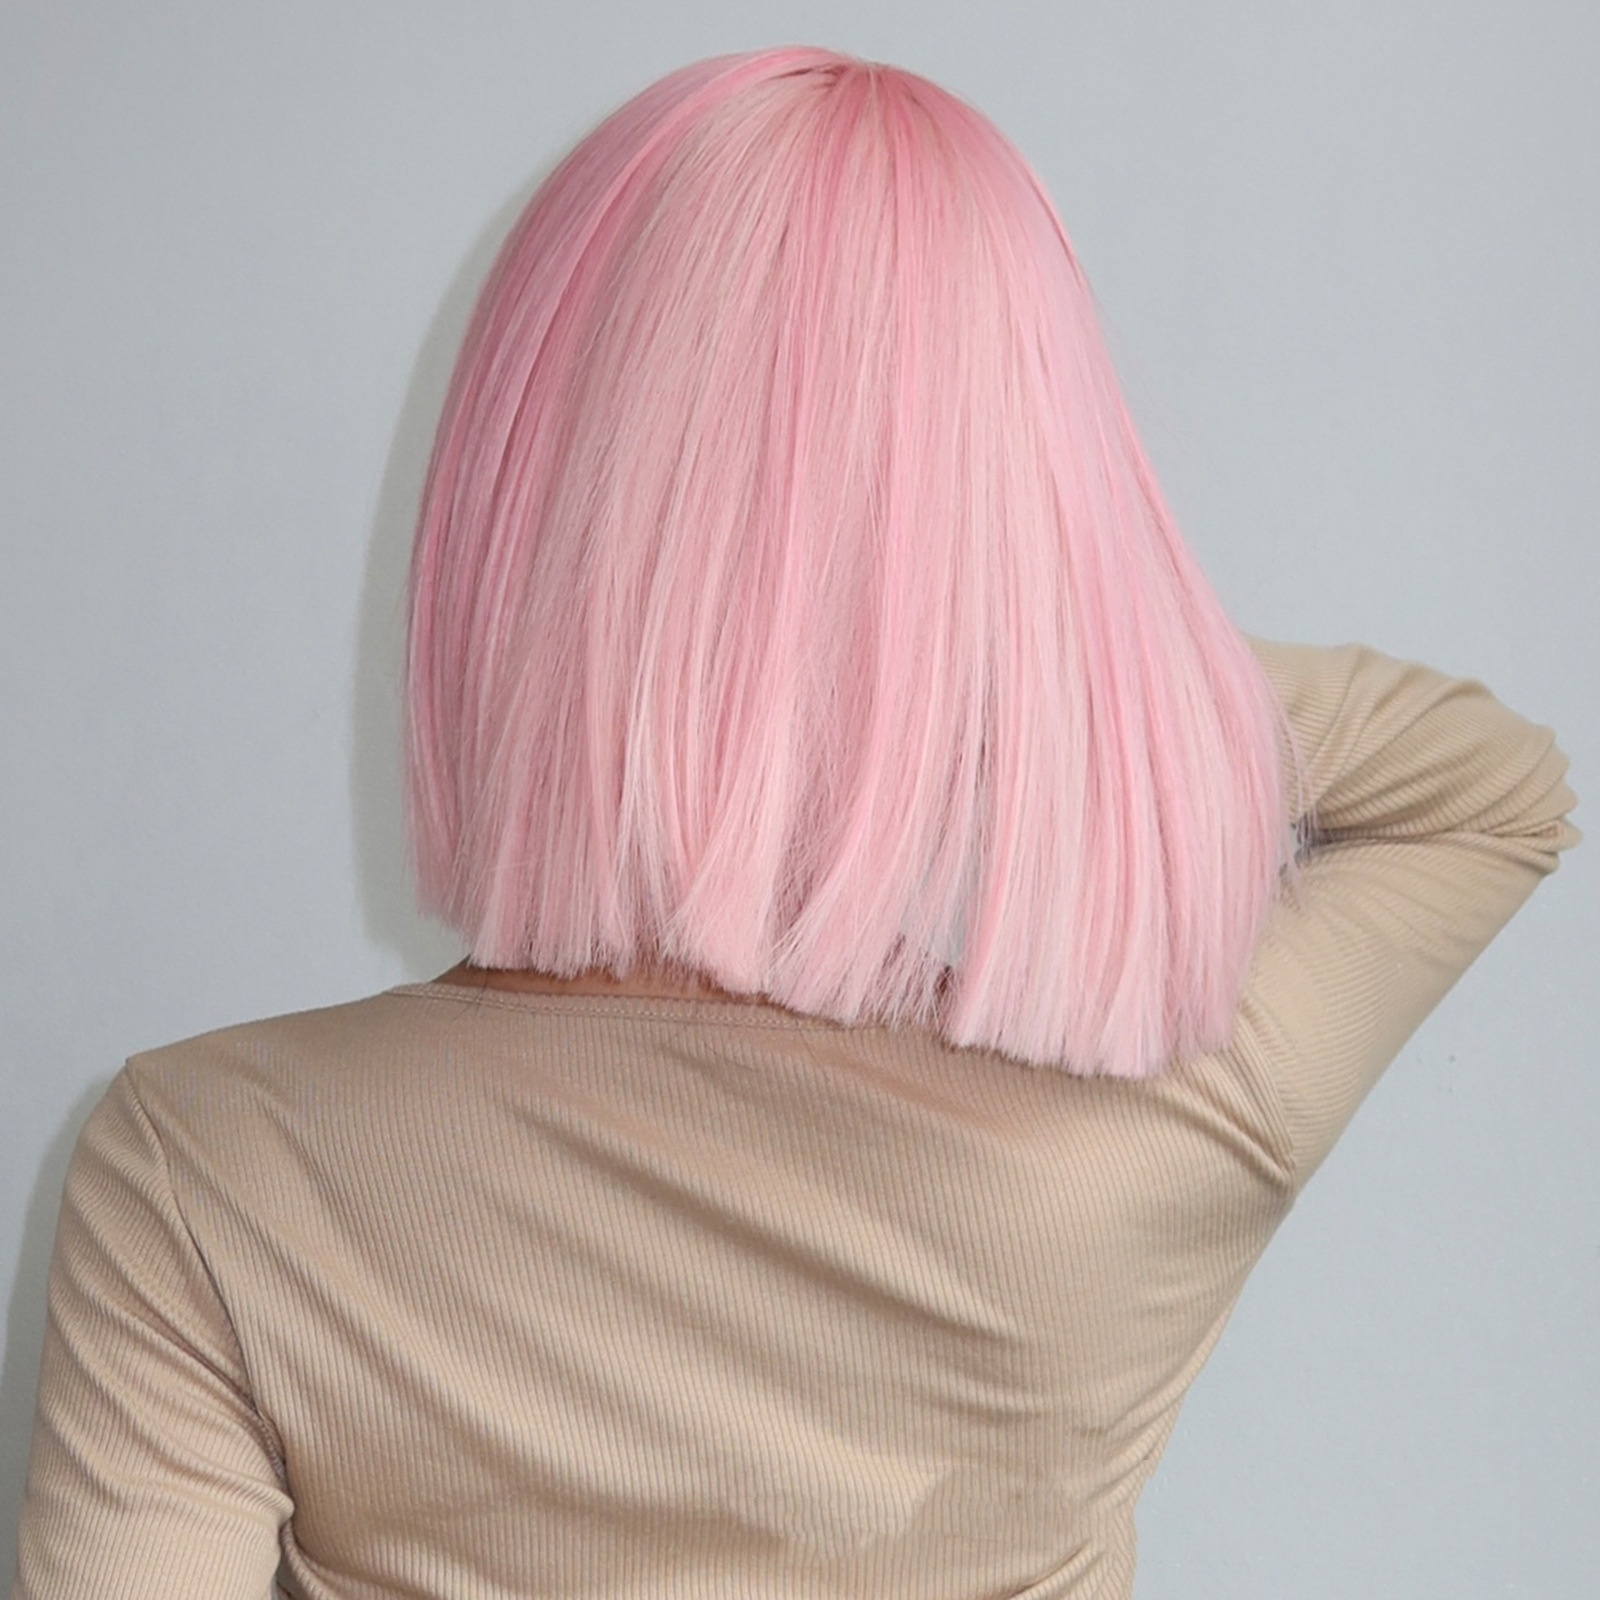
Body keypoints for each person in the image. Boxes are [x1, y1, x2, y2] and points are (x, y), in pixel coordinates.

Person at [11, 46, 1578, 1600]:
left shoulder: (206, 1168)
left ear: (513, 497)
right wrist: (981, 653)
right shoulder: (1148, 1134)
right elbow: (1491, 791)